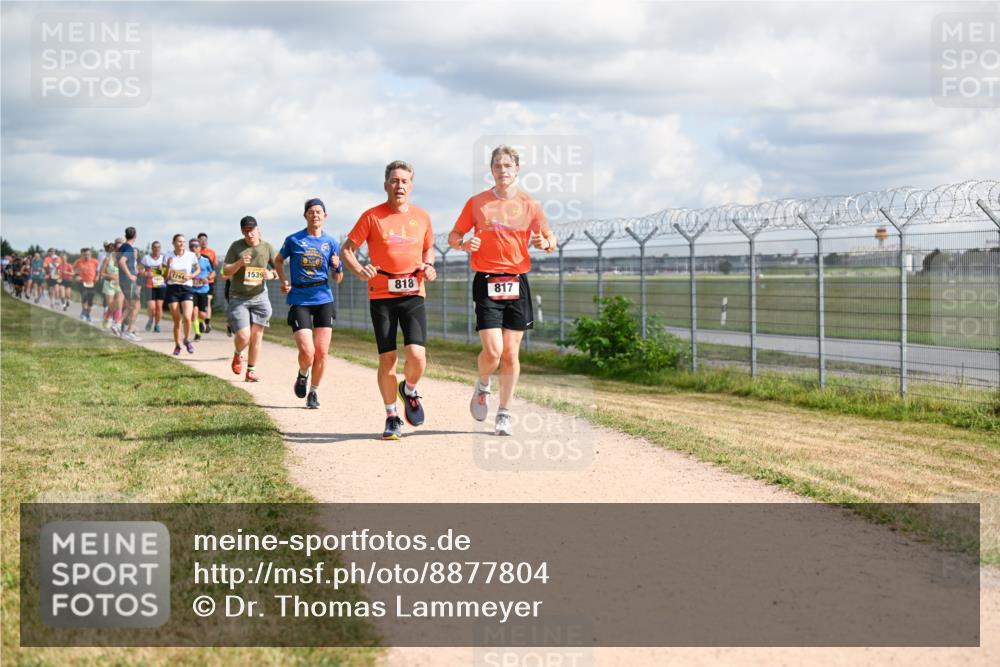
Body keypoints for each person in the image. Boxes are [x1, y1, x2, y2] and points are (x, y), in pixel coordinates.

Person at [448, 144, 557, 436]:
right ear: (491, 170)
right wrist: (463, 243)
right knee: (493, 351)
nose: (502, 171)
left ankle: (505, 412)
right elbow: (454, 235)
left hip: (517, 281)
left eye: (508, 166)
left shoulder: (529, 204)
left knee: (510, 354)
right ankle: (483, 385)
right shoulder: (478, 203)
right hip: (487, 281)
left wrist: (544, 244)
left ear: (517, 169)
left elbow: (550, 237)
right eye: (497, 166)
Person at [340, 160, 436, 440]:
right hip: (381, 295)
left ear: (411, 186)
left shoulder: (422, 217)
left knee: (417, 355)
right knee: (388, 358)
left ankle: (409, 389)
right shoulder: (372, 217)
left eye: (404, 181)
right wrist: (360, 270)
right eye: (394, 181)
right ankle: (392, 415)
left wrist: (428, 265)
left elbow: (428, 247)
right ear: (386, 185)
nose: (399, 186)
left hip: (412, 292)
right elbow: (347, 249)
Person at [274, 198, 344, 409]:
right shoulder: (294, 240)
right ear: (305, 215)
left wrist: (338, 267)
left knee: (322, 352)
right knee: (308, 352)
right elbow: (278, 260)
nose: (315, 215)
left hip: (323, 298)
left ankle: (313, 392)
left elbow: (338, 279)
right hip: (300, 299)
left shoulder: (331, 242)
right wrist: (283, 280)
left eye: (319, 212)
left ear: (325, 216)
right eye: (311, 212)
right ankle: (302, 375)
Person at [222, 216, 278, 382]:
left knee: (257, 336)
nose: (250, 234)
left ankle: (251, 371)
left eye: (252, 230)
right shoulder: (236, 247)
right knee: (244, 336)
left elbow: (279, 268)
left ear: (258, 229)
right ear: (242, 231)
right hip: (239, 297)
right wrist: (239, 262)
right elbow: (225, 271)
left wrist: (272, 274)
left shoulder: (267, 247)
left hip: (260, 296)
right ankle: (238, 354)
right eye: (246, 231)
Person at [162, 233, 200, 355]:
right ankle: (177, 345)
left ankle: (187, 340)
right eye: (179, 241)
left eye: (183, 241)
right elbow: (163, 276)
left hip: (186, 288)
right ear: (173, 243)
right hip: (173, 289)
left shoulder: (191, 255)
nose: (182, 243)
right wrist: (168, 266)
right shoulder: (167, 256)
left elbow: (197, 269)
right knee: (177, 320)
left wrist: (192, 275)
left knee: (188, 317)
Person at [116, 226, 142, 341]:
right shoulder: (129, 248)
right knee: (135, 305)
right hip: (128, 280)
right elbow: (122, 262)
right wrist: (130, 275)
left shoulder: (122, 247)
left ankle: (121, 326)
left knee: (131, 305)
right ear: (135, 236)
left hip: (123, 279)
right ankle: (125, 329)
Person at [189, 238, 215, 341]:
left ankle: (200, 323)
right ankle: (197, 333)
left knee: (202, 314)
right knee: (194, 311)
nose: (193, 248)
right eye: (191, 247)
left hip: (203, 289)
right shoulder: (187, 260)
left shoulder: (206, 260)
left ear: (200, 248)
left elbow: (213, 273)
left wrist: (208, 278)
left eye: (196, 246)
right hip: (191, 290)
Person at [140, 241, 165, 332]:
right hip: (149, 284)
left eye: (158, 247)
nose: (157, 249)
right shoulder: (146, 258)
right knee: (151, 307)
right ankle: (150, 319)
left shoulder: (163, 258)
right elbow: (140, 271)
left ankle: (157, 324)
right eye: (155, 247)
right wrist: (147, 273)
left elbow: (166, 272)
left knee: (159, 306)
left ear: (160, 248)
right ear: (152, 248)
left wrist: (156, 272)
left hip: (160, 284)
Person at [100, 240, 124, 333]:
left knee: (119, 304)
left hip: (120, 284)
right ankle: (107, 318)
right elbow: (102, 273)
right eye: (117, 248)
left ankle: (117, 324)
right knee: (111, 305)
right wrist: (111, 276)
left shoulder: (124, 260)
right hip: (109, 284)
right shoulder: (107, 259)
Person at [197, 232, 218, 333]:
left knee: (208, 300)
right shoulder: (194, 252)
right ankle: (200, 320)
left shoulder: (211, 252)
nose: (204, 242)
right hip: (196, 281)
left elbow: (214, 267)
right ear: (198, 241)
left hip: (209, 281)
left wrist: (208, 276)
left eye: (205, 240)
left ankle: (207, 322)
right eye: (201, 240)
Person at [73, 247, 100, 321]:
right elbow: (73, 269)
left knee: (90, 300)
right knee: (84, 296)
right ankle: (84, 313)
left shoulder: (95, 262)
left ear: (91, 254)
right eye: (85, 255)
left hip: (92, 282)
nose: (86, 256)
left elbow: (98, 271)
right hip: (82, 282)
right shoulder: (78, 261)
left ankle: (87, 314)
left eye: (88, 254)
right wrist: (76, 276)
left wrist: (97, 277)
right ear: (82, 255)